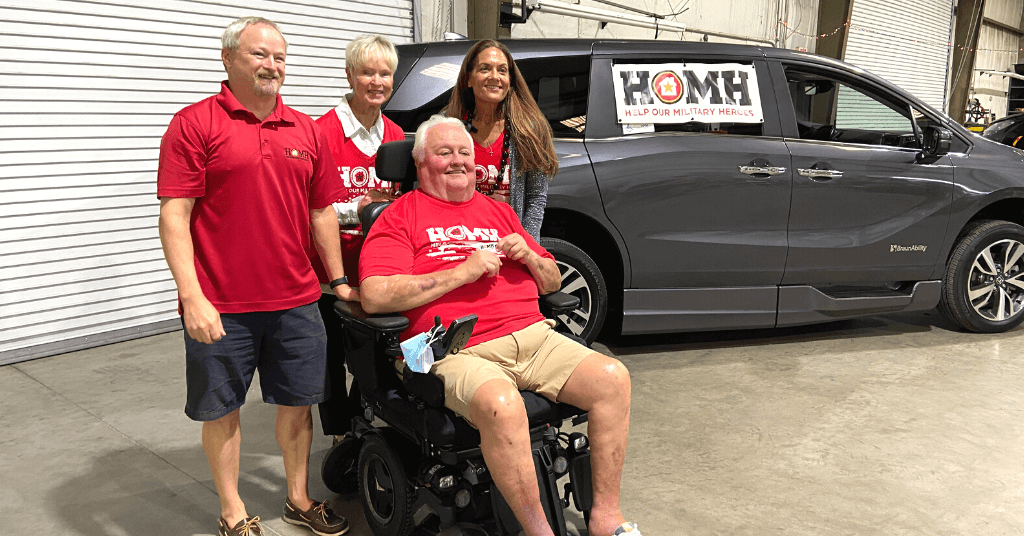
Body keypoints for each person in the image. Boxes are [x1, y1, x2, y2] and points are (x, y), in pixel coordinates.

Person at [358, 115, 641, 536]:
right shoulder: (399, 217)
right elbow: (375, 295)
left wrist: (529, 257)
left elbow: (552, 280)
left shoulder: (500, 212)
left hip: (534, 337)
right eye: (444, 152)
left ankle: (605, 518)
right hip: (455, 348)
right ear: (420, 164)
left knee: (612, 378)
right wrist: (461, 273)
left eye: (464, 153)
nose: (457, 161)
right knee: (503, 406)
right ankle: (538, 530)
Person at [157, 16, 354, 536]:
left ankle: (297, 497)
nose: (273, 66)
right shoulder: (195, 123)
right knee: (221, 410)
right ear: (228, 59)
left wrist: (337, 281)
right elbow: (174, 215)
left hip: (296, 300)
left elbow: (321, 213)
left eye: (280, 57)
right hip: (221, 305)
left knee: (298, 405)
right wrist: (191, 297)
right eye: (259, 55)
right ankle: (232, 511)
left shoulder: (307, 129)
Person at [309, 34, 405, 445]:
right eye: (367, 72)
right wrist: (362, 208)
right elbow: (311, 207)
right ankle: (340, 437)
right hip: (329, 276)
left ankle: (366, 419)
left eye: (385, 73)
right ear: (349, 74)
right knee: (330, 360)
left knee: (372, 357)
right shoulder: (319, 132)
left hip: (377, 273)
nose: (377, 81)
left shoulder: (397, 133)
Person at [443, 39, 558, 240]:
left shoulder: (530, 130)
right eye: (485, 69)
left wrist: (527, 246)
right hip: (459, 241)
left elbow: (536, 199)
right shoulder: (449, 127)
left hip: (511, 244)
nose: (494, 77)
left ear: (510, 80)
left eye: (502, 70)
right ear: (469, 78)